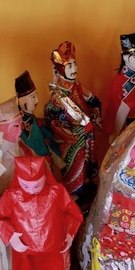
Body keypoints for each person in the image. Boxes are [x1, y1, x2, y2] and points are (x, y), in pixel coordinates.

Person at [44, 41, 102, 205]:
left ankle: (88, 182)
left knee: (89, 160)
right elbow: (52, 118)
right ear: (61, 69)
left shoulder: (77, 85)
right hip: (70, 137)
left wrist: (94, 115)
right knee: (76, 156)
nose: (74, 68)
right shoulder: (57, 94)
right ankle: (74, 189)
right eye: (69, 65)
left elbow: (93, 100)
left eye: (75, 64)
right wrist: (74, 132)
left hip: (86, 131)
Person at [14, 70, 62, 170]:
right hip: (36, 164)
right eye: (32, 97)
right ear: (21, 100)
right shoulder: (22, 123)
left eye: (36, 95)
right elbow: (31, 145)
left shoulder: (30, 117)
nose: (37, 100)